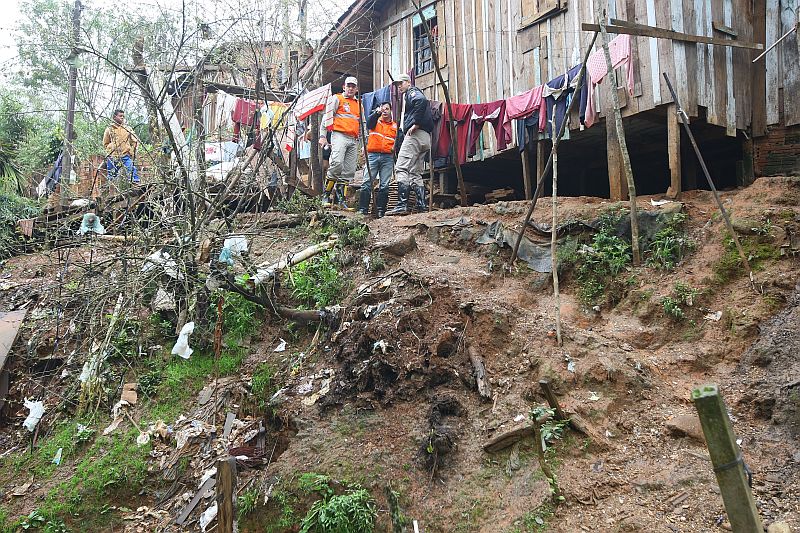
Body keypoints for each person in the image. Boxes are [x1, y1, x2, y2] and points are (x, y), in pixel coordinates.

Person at [385, 74, 433, 216]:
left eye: (401, 83)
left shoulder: (412, 93)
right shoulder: (412, 93)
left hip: (415, 136)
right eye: (397, 84)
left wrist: (416, 123)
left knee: (401, 167)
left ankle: (402, 204)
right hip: (425, 138)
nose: (399, 86)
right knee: (415, 172)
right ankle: (422, 205)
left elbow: (421, 101)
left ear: (408, 82)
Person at [320, 76, 360, 207]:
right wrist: (323, 136)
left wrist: (363, 141)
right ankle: (326, 194)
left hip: (353, 139)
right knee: (336, 162)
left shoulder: (359, 104)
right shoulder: (337, 99)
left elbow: (362, 123)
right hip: (339, 135)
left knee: (349, 170)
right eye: (348, 86)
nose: (350, 88)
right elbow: (327, 118)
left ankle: (340, 199)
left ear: (356, 89)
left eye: (353, 86)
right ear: (344, 87)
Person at [359, 102, 397, 217]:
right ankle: (363, 209)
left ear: (391, 111)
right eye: (383, 109)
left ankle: (381, 211)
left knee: (384, 184)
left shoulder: (395, 126)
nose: (385, 111)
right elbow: (369, 124)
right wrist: (377, 113)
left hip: (388, 157)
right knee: (367, 182)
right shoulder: (375, 121)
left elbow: (398, 142)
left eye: (387, 109)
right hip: (373, 155)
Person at [103, 109, 141, 183]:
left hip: (125, 156)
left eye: (123, 116)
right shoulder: (109, 129)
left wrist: (132, 152)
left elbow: (135, 141)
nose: (122, 118)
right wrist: (111, 149)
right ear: (114, 117)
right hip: (113, 157)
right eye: (120, 116)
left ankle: (136, 190)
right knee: (111, 177)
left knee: (133, 174)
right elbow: (105, 143)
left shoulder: (128, 128)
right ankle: (111, 192)